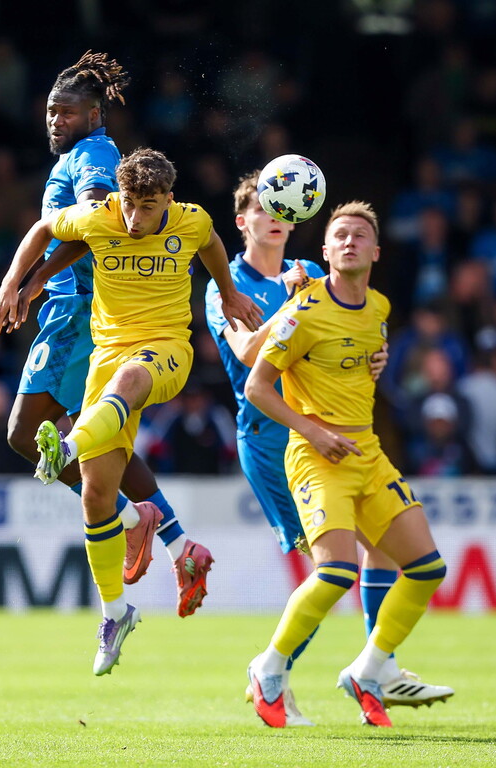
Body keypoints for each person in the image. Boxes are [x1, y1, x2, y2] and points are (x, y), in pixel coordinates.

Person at [0, 147, 262, 676]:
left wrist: (228, 293)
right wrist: (14, 282)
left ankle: (66, 446)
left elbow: (211, 241)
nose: (136, 218)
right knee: (96, 495)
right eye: (130, 205)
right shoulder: (99, 216)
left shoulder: (189, 220)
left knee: (129, 380)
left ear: (169, 198)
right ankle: (116, 613)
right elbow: (43, 229)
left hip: (165, 351)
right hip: (107, 358)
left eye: (149, 206)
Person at [205, 173, 452, 726]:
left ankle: (378, 666)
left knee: (386, 553)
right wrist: (292, 305)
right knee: (329, 570)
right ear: (242, 222)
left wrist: (377, 355)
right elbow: (248, 357)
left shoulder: (317, 276)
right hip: (275, 439)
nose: (274, 217)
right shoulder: (232, 285)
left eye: (282, 208)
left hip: (351, 442)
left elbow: (355, 328)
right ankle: (274, 674)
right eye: (263, 208)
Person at [0, 52, 215, 619]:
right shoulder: (78, 154)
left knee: (26, 432)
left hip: (80, 311)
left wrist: (31, 281)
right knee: (100, 445)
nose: (55, 121)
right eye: (50, 111)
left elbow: (95, 225)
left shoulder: (93, 156)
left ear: (94, 115)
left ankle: (136, 519)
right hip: (79, 311)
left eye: (66, 113)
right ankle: (175, 541)